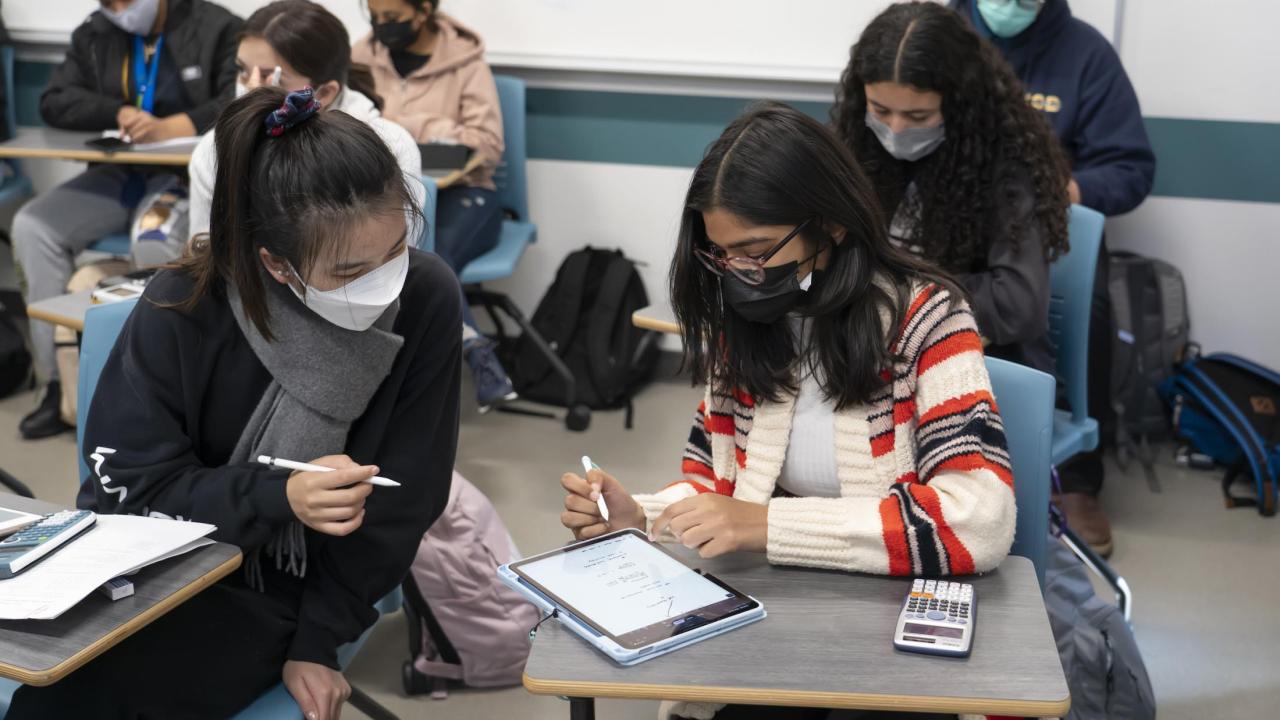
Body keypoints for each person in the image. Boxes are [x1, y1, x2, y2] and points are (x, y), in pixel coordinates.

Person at [7, 87, 461, 719]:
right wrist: (278, 497)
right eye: (349, 270)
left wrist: (318, 642)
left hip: (288, 591)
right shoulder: (183, 306)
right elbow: (129, 492)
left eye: (394, 253)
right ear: (275, 263)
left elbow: (403, 502)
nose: (384, 282)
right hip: (163, 563)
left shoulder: (427, 295)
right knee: (50, 700)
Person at [559, 103, 1015, 720]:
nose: (738, 275)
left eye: (754, 251)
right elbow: (713, 483)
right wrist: (643, 514)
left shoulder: (927, 322)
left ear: (828, 226)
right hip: (774, 605)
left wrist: (764, 526)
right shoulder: (745, 328)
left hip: (891, 618)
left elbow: (977, 522)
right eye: (721, 256)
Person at [953, 0, 1158, 558]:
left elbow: (1131, 167)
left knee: (1079, 305)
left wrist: (1062, 190)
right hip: (951, 224)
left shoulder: (1085, 54)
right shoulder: (938, 36)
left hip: (1043, 231)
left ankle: (1076, 478)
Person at [11, 0, 241, 440]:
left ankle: (150, 392)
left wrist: (180, 124)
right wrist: (115, 113)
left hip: (182, 177)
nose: (118, 8)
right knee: (33, 226)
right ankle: (59, 387)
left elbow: (242, 96)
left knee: (150, 237)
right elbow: (55, 100)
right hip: (118, 173)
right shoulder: (96, 32)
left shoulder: (219, 28)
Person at [833, 1, 1070, 377]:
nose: (894, 130)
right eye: (880, 110)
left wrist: (893, 292)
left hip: (982, 363)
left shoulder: (1008, 162)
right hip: (883, 351)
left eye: (917, 116)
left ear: (959, 104)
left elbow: (1018, 304)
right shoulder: (858, 143)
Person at [353, 0, 515, 411]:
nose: (382, 28)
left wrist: (405, 124)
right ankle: (471, 349)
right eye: (376, 18)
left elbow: (488, 144)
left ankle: (470, 357)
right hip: (393, 191)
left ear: (424, 10)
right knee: (399, 247)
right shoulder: (359, 56)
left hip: (468, 194)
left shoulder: (466, 63)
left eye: (394, 19)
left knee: (425, 254)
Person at [187, 0, 423, 247]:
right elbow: (205, 252)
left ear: (324, 93)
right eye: (243, 70)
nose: (251, 88)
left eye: (271, 76)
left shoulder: (390, 146)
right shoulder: (213, 150)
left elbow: (392, 256)